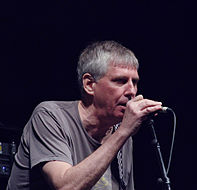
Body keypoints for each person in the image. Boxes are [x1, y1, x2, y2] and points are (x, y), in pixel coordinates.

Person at [7, 40, 163, 190]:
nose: (132, 91)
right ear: (89, 84)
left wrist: (122, 133)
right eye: (120, 81)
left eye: (134, 82)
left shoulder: (121, 132)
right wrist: (123, 132)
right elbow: (65, 187)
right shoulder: (50, 116)